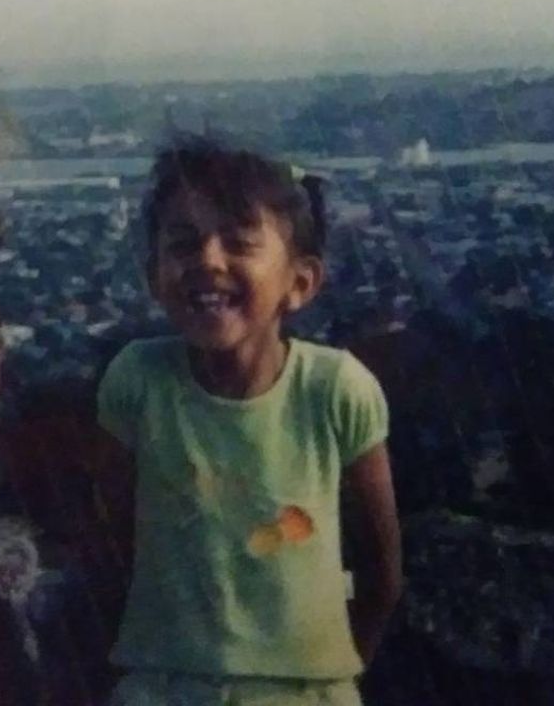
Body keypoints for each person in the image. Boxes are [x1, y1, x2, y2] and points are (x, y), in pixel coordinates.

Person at [95, 135, 404, 706]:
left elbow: (381, 565)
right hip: (164, 684)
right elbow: (111, 542)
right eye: (184, 244)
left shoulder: (335, 390)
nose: (209, 260)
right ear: (153, 274)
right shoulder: (138, 381)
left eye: (239, 243)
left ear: (301, 283)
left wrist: (334, 669)